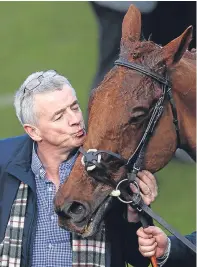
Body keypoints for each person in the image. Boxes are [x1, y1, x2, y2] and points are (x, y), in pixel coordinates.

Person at [0, 69, 158, 267]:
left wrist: (136, 210)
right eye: (59, 117)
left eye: (74, 107)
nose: (75, 119)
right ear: (34, 132)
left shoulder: (111, 164)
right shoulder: (5, 162)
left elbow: (139, 258)